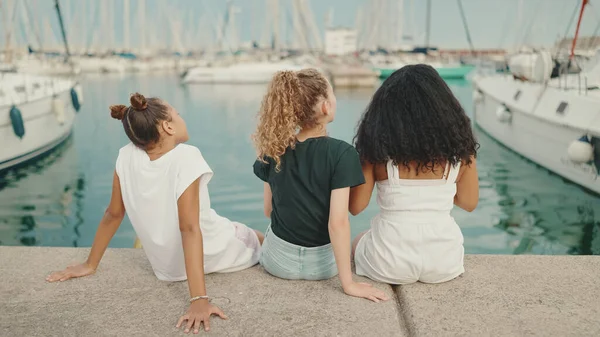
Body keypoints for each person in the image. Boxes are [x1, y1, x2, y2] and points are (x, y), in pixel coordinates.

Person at [46, 93, 263, 333]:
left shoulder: (125, 156)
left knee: (227, 226)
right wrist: (199, 300)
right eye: (177, 114)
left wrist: (90, 263)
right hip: (212, 249)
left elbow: (113, 214)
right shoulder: (187, 157)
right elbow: (189, 228)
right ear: (168, 126)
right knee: (255, 236)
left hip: (166, 269)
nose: (181, 117)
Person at [252, 69, 388, 303]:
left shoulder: (273, 149)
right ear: (326, 106)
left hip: (278, 264)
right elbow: (338, 222)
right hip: (324, 267)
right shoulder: (342, 153)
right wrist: (348, 284)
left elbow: (269, 211)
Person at [350, 64, 479, 285]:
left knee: (359, 239)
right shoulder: (461, 154)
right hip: (444, 262)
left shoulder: (376, 154)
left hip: (388, 262)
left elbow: (356, 207)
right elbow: (468, 202)